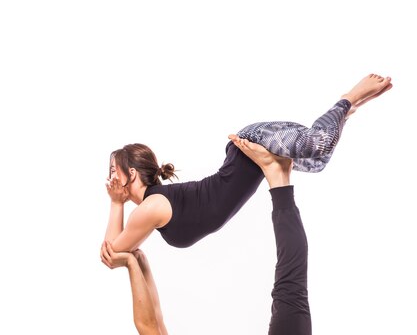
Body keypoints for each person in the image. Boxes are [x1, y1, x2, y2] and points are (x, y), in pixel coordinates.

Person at [81, 147, 317, 335]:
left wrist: (141, 264)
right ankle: (279, 178)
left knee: (288, 289)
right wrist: (131, 264)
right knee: (288, 287)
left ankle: (278, 173)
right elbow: (144, 325)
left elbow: (155, 319)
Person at [102, 74, 392, 253]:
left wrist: (116, 204)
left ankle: (349, 96)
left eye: (113, 170)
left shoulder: (150, 207)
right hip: (254, 156)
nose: (109, 178)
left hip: (250, 143)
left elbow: (114, 252)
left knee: (318, 145)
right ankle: (349, 111)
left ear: (132, 173)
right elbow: (119, 251)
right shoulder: (152, 209)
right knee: (318, 163)